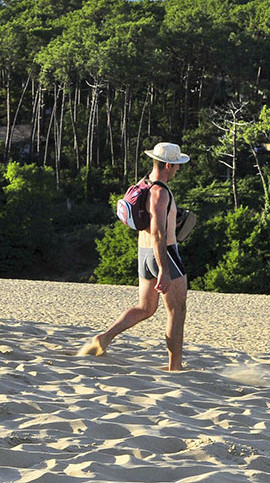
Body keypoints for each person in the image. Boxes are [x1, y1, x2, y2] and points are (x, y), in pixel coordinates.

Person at [80, 142, 191, 371]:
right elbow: (159, 232)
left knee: (146, 308)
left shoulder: (141, 185)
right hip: (164, 254)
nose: (178, 170)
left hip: (143, 253)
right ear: (168, 165)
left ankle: (105, 338)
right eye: (177, 166)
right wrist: (164, 270)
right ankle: (175, 366)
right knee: (177, 312)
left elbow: (147, 223)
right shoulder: (160, 192)